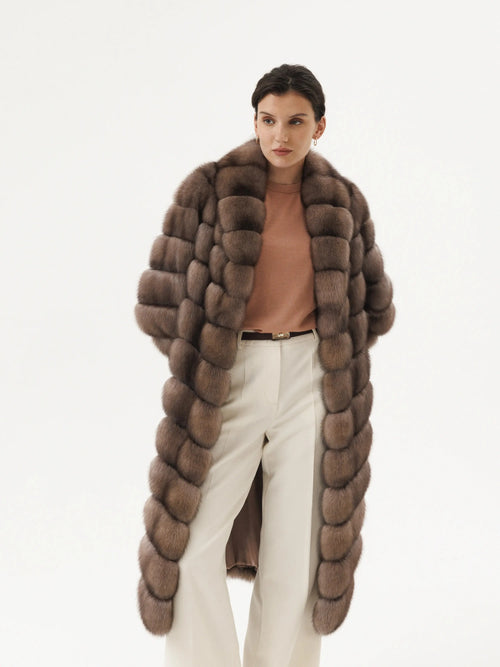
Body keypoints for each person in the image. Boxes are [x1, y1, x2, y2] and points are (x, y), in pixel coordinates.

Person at [134, 63, 395, 667]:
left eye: (296, 122)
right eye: (269, 119)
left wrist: (333, 352)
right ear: (254, 121)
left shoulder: (343, 203)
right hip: (229, 376)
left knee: (297, 555)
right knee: (190, 544)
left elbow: (374, 305)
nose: (281, 134)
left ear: (319, 127)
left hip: (312, 379)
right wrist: (205, 360)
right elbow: (159, 303)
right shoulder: (210, 190)